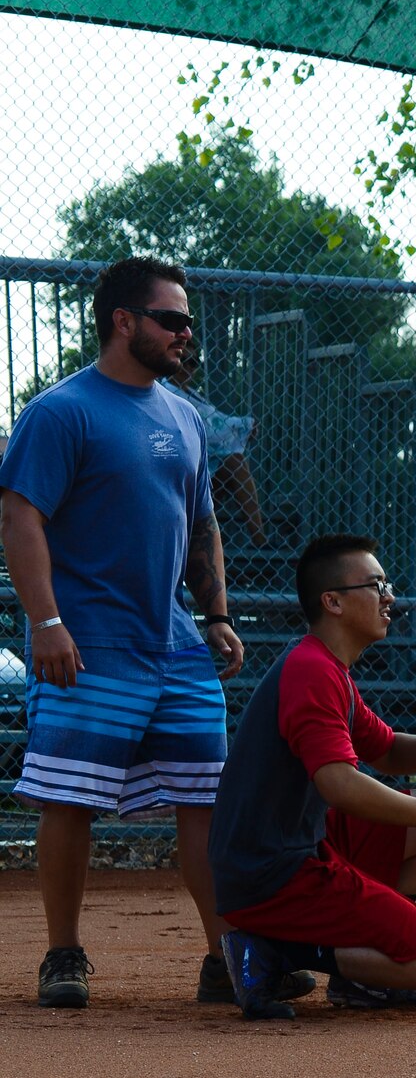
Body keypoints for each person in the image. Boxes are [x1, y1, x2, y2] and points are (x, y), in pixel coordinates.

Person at [0, 255, 274, 1010]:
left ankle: (225, 957)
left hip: (175, 645)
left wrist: (215, 614)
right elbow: (20, 518)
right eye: (172, 319)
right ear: (124, 321)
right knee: (69, 800)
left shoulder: (185, 415)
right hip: (88, 644)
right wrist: (47, 621)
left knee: (206, 798)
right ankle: (63, 953)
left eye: (187, 320)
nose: (186, 333)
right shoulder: (61, 411)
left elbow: (202, 522)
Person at [206, 533, 416, 1019]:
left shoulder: (328, 667)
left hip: (288, 848)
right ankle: (274, 953)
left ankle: (361, 979)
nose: (390, 597)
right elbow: (338, 784)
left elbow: (385, 750)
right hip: (272, 872)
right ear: (334, 602)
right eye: (376, 585)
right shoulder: (311, 671)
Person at [163, 344, 267, 546]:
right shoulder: (168, 392)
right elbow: (209, 428)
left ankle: (258, 538)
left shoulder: (192, 394)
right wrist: (243, 425)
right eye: (182, 360)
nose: (187, 367)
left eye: (192, 363)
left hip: (206, 472)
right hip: (186, 477)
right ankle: (259, 539)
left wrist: (241, 427)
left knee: (235, 461)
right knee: (235, 462)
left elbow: (215, 422)